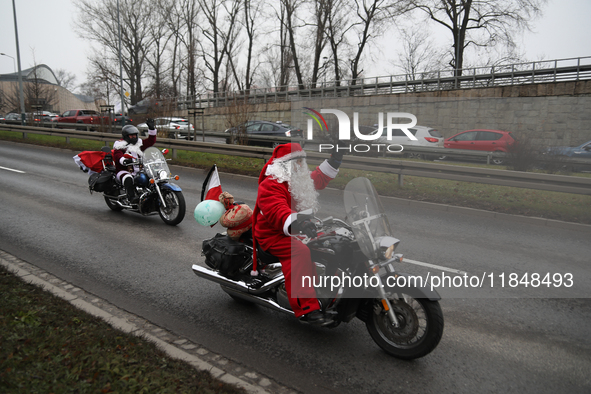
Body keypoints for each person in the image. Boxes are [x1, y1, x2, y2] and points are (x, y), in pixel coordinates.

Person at [252, 142, 344, 326]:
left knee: (332, 243)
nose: (301, 166)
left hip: (297, 228)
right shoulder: (271, 184)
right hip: (273, 233)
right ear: (284, 165)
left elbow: (317, 178)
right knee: (299, 253)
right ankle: (307, 307)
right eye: (297, 162)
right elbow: (278, 211)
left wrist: (335, 160)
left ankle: (329, 293)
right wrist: (300, 222)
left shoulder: (297, 180)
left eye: (302, 161)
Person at [112, 119, 156, 204]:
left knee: (152, 177)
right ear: (126, 136)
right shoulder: (120, 145)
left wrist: (151, 129)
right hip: (124, 170)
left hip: (139, 170)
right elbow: (118, 155)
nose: (134, 137)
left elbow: (151, 141)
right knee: (128, 178)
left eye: (135, 135)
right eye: (131, 136)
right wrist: (124, 160)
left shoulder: (139, 143)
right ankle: (131, 198)